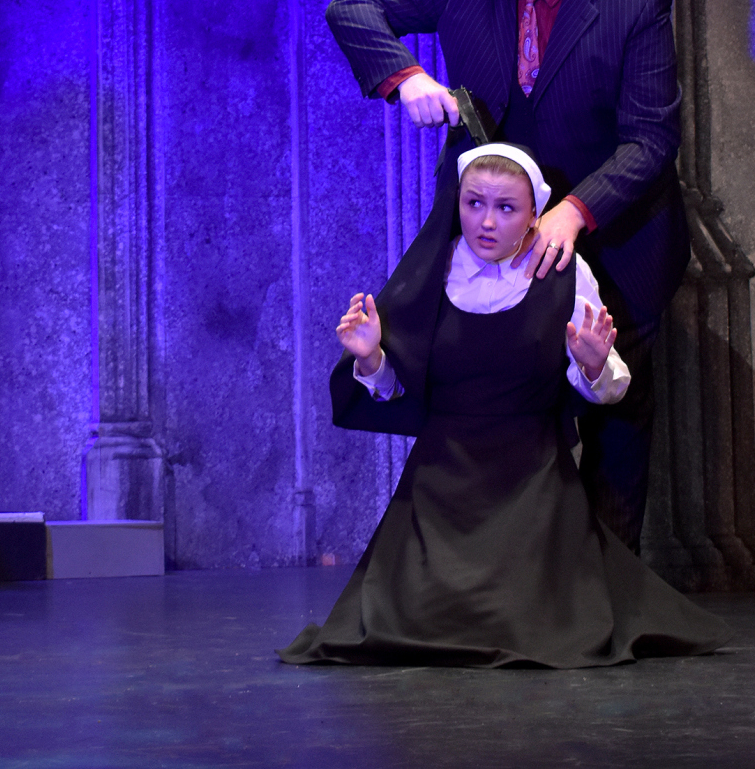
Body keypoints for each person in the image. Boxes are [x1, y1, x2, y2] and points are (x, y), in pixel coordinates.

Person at [326, 0, 688, 552]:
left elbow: (651, 140)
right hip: (497, 239)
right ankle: (502, 576)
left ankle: (604, 585)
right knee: (489, 404)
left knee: (613, 414)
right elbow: (354, 7)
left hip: (617, 239)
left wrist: (574, 211)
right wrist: (406, 77)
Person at [279, 145, 730, 667]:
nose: (486, 221)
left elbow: (609, 388)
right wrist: (372, 356)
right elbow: (395, 389)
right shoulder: (433, 271)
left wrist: (591, 364)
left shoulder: (564, 272)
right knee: (404, 625)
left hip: (532, 483)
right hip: (440, 486)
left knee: (540, 626)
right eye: (474, 203)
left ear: (535, 213)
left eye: (506, 207)